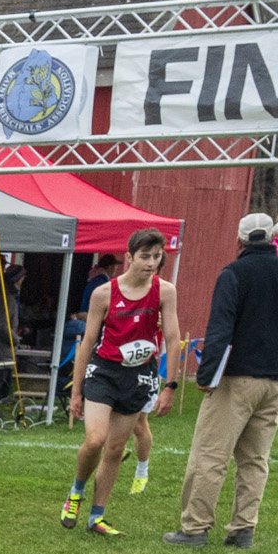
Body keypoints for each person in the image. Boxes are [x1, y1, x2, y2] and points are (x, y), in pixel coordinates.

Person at [169, 213, 278, 549]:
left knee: (210, 455)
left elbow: (221, 328)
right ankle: (243, 528)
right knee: (255, 459)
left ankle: (195, 527)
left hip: (237, 378)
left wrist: (206, 374)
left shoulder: (234, 273)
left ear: (240, 240)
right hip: (277, 378)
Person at [62, 229, 176, 537]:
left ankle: (96, 516)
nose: (151, 263)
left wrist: (171, 385)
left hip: (137, 376)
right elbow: (87, 343)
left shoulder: (165, 291)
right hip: (104, 372)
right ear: (129, 257)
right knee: (96, 440)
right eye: (145, 257)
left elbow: (174, 338)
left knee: (114, 448)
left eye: (156, 257)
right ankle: (76, 492)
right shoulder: (104, 294)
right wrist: (76, 389)